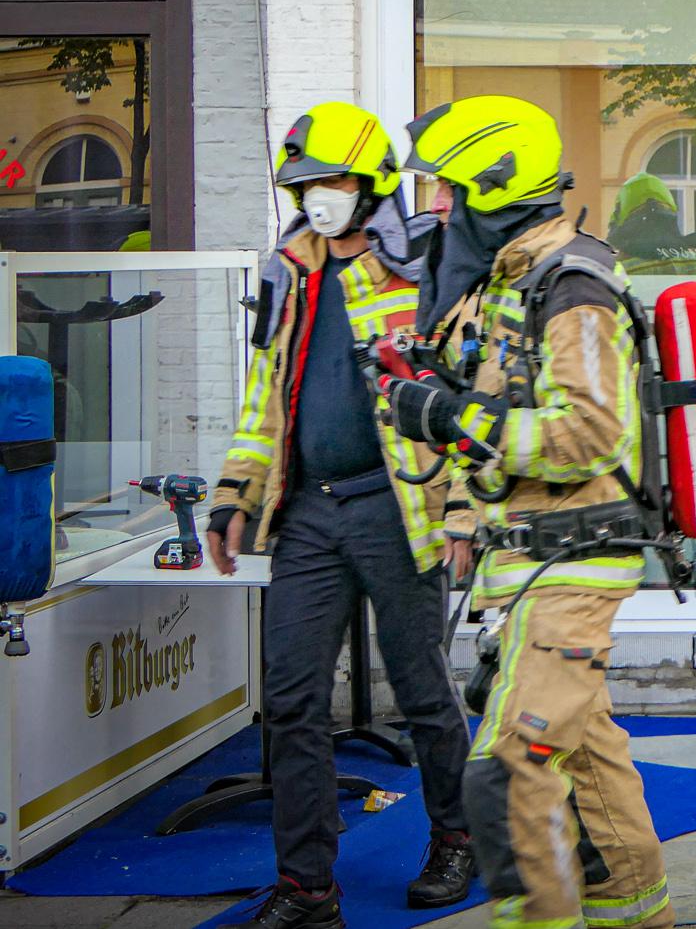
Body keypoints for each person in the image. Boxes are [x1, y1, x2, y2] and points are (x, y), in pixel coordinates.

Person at [388, 95, 672, 929]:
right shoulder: (512, 278)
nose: (433, 206)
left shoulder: (572, 284)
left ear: (494, 185)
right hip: (533, 559)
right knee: (588, 760)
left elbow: (587, 432)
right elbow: (498, 426)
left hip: (574, 559)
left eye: (445, 189)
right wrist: (464, 519)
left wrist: (448, 417)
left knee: (509, 766)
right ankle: (636, 912)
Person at [205, 103, 476, 928]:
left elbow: (464, 399)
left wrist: (462, 509)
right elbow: (263, 401)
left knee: (425, 691)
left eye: (330, 179)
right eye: (305, 183)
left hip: (399, 512)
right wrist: (232, 495)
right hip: (311, 518)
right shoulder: (288, 270)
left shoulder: (427, 266)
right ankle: (308, 889)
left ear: (372, 185)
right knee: (289, 702)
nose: (316, 196)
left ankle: (458, 837)